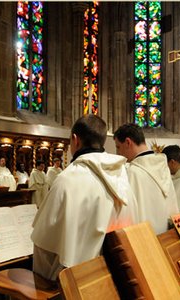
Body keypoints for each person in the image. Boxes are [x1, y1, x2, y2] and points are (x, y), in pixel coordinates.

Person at [31, 115, 139, 281]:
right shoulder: (122, 175)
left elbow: (43, 248)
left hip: (76, 283)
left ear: (75, 140)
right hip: (115, 278)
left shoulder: (67, 180)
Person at [114, 123, 179, 234]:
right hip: (165, 237)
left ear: (128, 142)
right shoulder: (163, 167)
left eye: (118, 147)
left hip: (144, 240)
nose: (118, 153)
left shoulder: (132, 172)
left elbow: (126, 215)